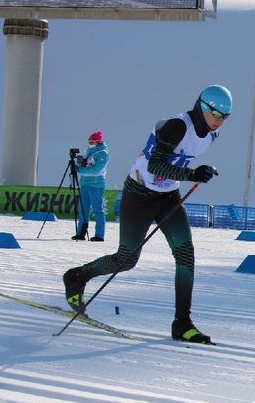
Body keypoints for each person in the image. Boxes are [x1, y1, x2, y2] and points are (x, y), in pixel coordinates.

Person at [63, 85, 231, 344]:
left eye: (225, 117)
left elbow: (180, 162)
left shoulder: (211, 134)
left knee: (186, 255)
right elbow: (155, 166)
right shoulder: (177, 126)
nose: (219, 121)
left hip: (168, 196)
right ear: (202, 106)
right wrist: (192, 174)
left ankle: (182, 323)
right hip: (139, 194)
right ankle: (77, 277)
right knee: (126, 260)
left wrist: (198, 172)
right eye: (216, 114)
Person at [72, 131, 110, 241]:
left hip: (96, 184)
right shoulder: (87, 151)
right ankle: (81, 233)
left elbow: (96, 169)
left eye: (92, 141)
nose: (90, 143)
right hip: (84, 183)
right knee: (83, 209)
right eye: (89, 141)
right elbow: (82, 164)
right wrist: (79, 163)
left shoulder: (103, 153)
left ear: (98, 142)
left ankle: (99, 235)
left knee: (97, 210)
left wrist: (80, 169)